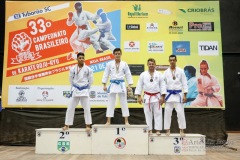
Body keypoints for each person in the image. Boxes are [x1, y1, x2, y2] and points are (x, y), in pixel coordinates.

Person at [62, 52, 94, 132]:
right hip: (75, 90)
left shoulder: (88, 69)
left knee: (87, 109)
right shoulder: (72, 69)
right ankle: (67, 125)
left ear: (84, 59)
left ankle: (88, 125)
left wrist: (87, 87)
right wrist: (74, 86)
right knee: (70, 108)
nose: (81, 59)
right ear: (77, 59)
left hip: (84, 90)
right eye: (80, 58)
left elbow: (91, 80)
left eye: (83, 58)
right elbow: (70, 79)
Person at [135, 58, 166, 135]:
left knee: (158, 113)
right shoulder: (143, 74)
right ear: (147, 65)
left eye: (152, 64)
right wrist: (139, 96)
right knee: (147, 114)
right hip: (147, 96)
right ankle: (149, 130)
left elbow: (162, 86)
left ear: (155, 65)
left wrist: (163, 97)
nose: (151, 65)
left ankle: (158, 130)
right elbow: (139, 85)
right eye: (150, 64)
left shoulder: (159, 74)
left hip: (157, 96)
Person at [102, 48, 133, 125]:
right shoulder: (109, 64)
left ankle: (126, 121)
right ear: (114, 54)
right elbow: (106, 74)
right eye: (116, 54)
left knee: (124, 103)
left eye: (119, 53)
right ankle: (108, 121)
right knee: (110, 103)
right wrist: (104, 84)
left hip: (121, 84)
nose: (117, 55)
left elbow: (128, 74)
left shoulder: (124, 64)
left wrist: (129, 85)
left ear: (121, 54)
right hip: (112, 84)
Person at [163, 55, 188, 137]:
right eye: (171, 60)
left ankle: (182, 130)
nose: (172, 61)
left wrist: (185, 94)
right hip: (169, 94)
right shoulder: (166, 72)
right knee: (167, 112)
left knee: (180, 112)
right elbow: (163, 84)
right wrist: (163, 96)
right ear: (169, 61)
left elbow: (184, 83)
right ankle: (167, 130)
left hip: (178, 94)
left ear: (176, 60)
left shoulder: (181, 71)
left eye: (173, 60)